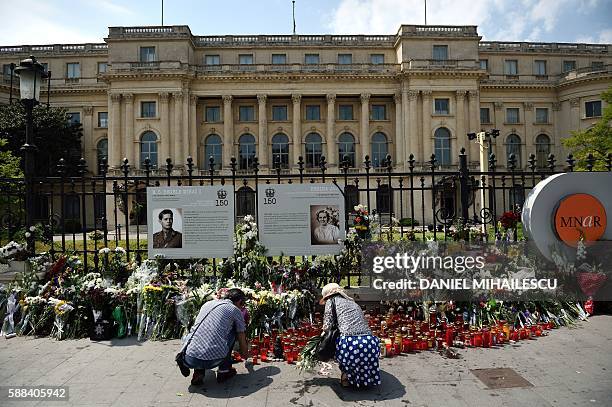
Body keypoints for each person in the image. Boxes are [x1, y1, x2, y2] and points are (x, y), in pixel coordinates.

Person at [177, 288, 249, 385]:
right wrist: (245, 354)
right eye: (242, 304)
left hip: (189, 358)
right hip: (214, 360)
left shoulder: (207, 304)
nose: (242, 307)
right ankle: (224, 371)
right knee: (233, 331)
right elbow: (241, 334)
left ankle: (198, 372)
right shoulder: (235, 310)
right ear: (240, 301)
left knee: (202, 331)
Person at [321, 283, 381, 388]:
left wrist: (321, 338)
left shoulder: (331, 301)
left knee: (332, 342)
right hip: (370, 343)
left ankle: (346, 376)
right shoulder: (352, 302)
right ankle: (364, 379)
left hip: (349, 345)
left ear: (328, 296)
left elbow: (327, 326)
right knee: (358, 351)